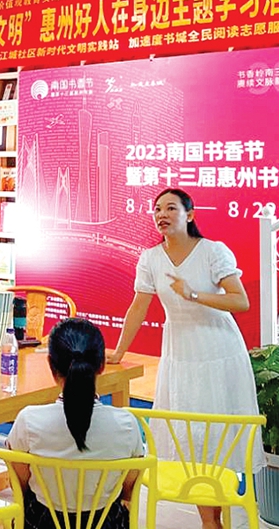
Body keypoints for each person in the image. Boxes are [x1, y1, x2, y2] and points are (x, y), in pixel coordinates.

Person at [108, 187, 263, 529]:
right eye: (157, 209)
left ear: (190, 215)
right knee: (191, 435)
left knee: (217, 433)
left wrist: (194, 295)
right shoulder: (150, 258)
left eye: (170, 208)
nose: (161, 215)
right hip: (179, 352)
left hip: (219, 349)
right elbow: (138, 307)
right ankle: (210, 520)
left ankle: (214, 518)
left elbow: (240, 301)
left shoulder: (212, 251)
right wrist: (119, 351)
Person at [8, 318, 144, 529]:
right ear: (101, 366)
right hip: (106, 523)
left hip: (43, 523)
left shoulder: (28, 420)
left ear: (51, 366)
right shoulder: (127, 424)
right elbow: (128, 490)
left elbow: (19, 484)